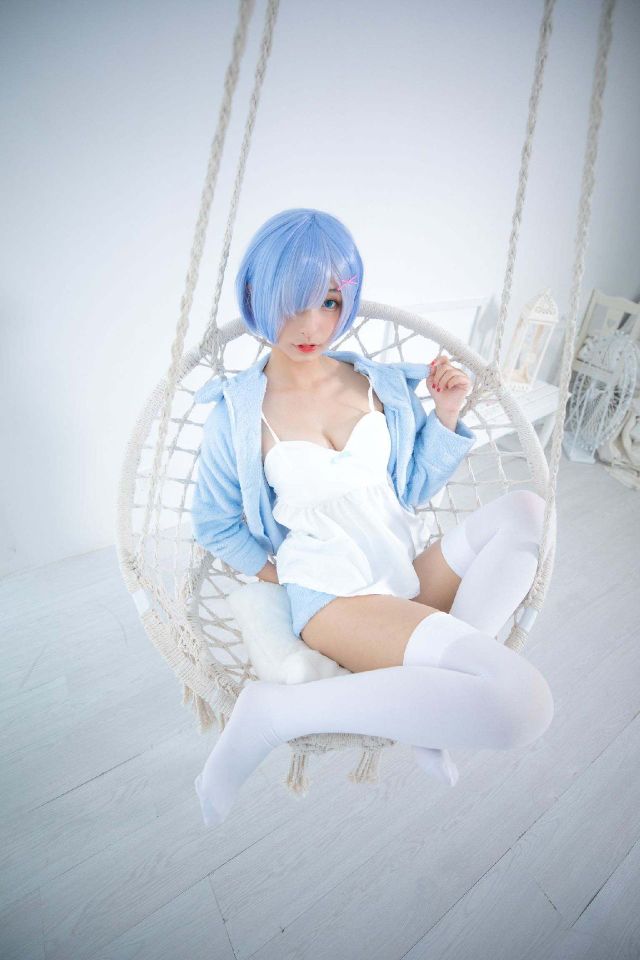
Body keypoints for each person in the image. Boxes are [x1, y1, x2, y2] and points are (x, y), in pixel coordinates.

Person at [191, 208, 554, 828]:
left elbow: (407, 489)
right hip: (334, 596)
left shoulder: (375, 381)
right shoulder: (237, 414)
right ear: (257, 295)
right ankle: (270, 716)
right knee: (524, 705)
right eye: (292, 303)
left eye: (330, 302)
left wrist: (445, 412)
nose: (313, 325)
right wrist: (284, 577)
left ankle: (424, 709)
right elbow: (215, 522)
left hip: (400, 571)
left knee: (528, 511)